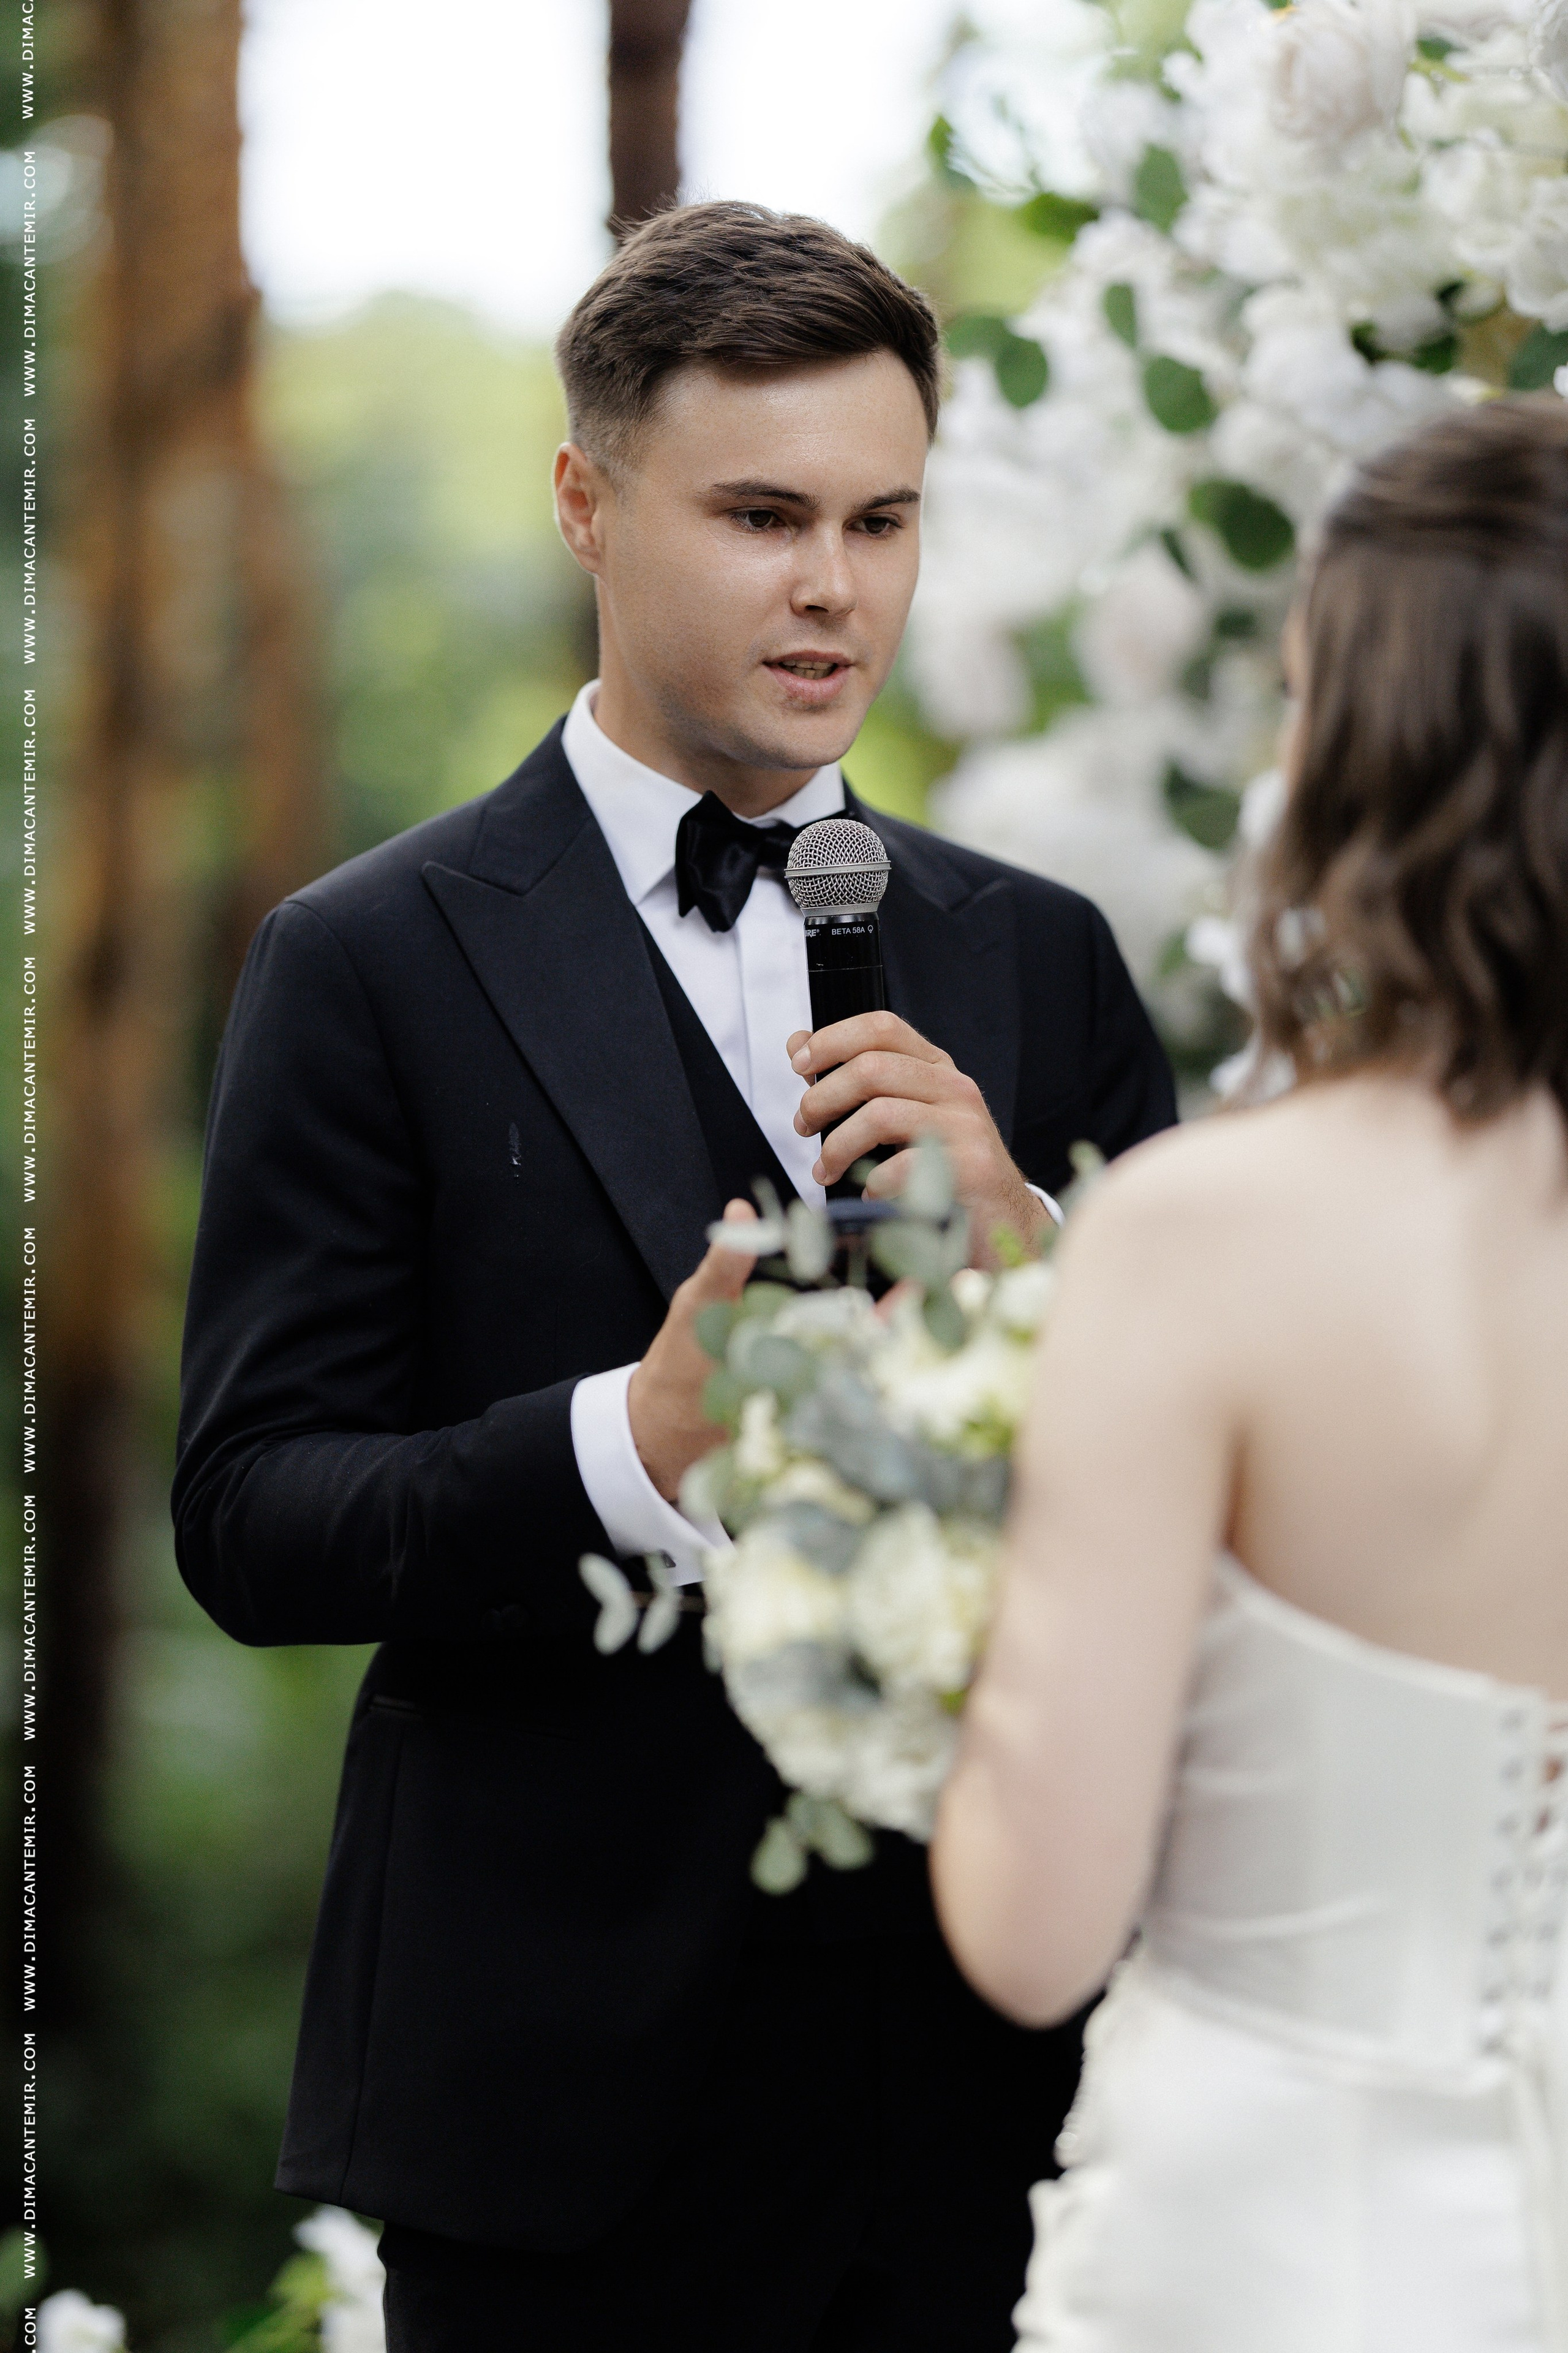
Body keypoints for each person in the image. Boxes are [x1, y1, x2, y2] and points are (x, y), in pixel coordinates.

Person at [173, 202, 1175, 2351]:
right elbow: (252, 1515)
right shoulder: (364, 962)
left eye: (882, 518)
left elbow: (1223, 1513)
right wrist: (628, 1445)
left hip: (998, 2106)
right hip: (547, 2131)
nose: (834, 586)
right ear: (586, 503)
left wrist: (1054, 1273)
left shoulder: (1042, 956)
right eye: (760, 515)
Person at [932, 395, 1568, 2352]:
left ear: (1367, 759)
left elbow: (1032, 1933)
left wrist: (933, 1627)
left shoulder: (1200, 1238)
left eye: (1300, 695)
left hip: (1263, 2242)